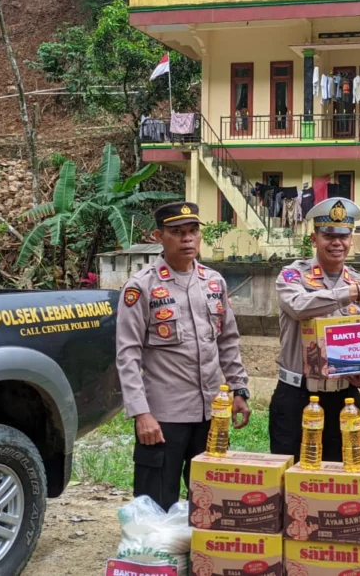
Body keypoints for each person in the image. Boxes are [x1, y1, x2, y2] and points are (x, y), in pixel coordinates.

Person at [115, 201, 252, 511]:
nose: (188, 239)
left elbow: (228, 339)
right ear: (158, 237)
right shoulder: (141, 287)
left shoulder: (213, 282)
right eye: (177, 233)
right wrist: (141, 414)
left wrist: (239, 389)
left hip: (210, 412)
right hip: (164, 416)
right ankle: (155, 557)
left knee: (208, 499)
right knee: (156, 502)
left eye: (193, 232)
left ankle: (198, 557)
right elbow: (127, 355)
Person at [271, 197, 360, 462]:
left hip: (344, 397)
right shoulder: (293, 276)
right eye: (328, 235)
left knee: (339, 477)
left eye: (343, 235)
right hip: (297, 396)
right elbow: (299, 307)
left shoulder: (359, 280)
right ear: (314, 239)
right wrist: (352, 294)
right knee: (291, 476)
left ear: (351, 238)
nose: (337, 242)